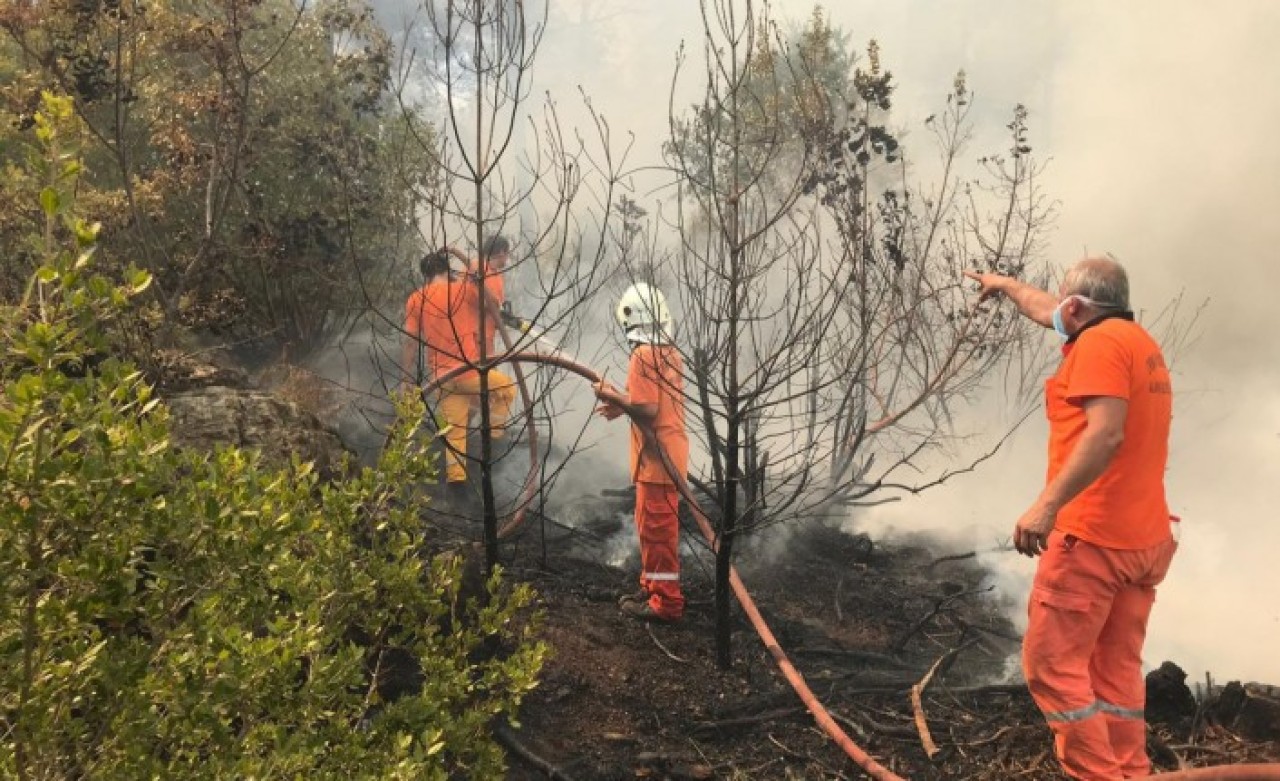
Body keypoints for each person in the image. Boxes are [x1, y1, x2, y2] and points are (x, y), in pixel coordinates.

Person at [965, 256, 1177, 780]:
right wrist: (1007, 286)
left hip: (1093, 539)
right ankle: (1130, 771)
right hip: (1143, 540)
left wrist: (1046, 507)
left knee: (1051, 668)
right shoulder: (1136, 342)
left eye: (1064, 305)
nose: (1055, 314)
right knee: (1115, 668)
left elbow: (1105, 435)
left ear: (1079, 307)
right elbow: (1050, 312)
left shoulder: (1098, 346)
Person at [593, 282, 689, 623]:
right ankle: (650, 586)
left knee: (659, 532)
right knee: (649, 527)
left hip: (659, 461)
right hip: (664, 456)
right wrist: (621, 406)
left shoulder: (644, 355)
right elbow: (649, 403)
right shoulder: (668, 352)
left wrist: (612, 395)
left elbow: (647, 409)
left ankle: (666, 603)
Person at [401, 249, 516, 494]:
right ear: (446, 270)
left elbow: (410, 342)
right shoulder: (462, 290)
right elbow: (493, 304)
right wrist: (476, 280)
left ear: (426, 275)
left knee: (455, 432)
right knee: (507, 388)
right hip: (467, 371)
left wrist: (406, 378)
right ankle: (495, 439)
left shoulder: (415, 299)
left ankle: (457, 484)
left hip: (441, 378)